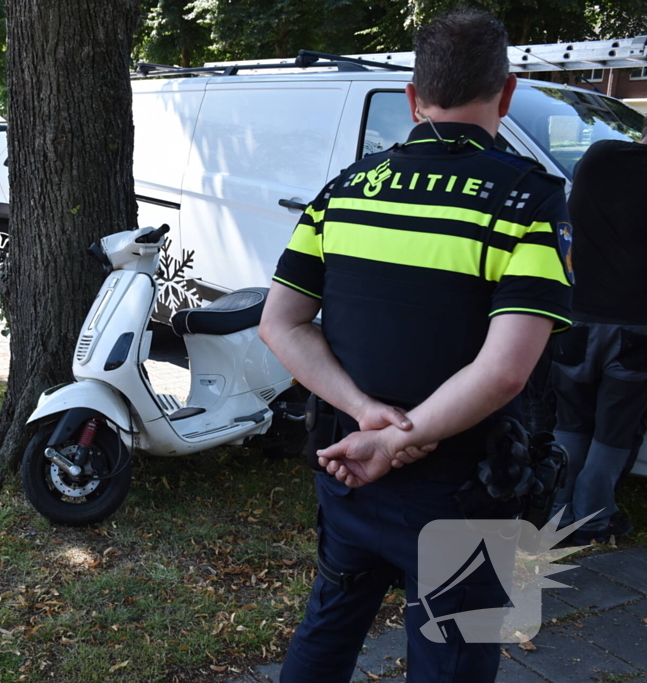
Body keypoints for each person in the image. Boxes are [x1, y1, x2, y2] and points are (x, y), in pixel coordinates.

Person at [258, 10, 572, 683]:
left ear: (412, 97)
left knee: (327, 629)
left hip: (347, 472)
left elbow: (279, 322)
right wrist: (400, 438)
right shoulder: (529, 201)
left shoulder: (343, 191)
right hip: (465, 496)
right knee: (453, 660)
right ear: (506, 93)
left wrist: (366, 414)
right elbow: (507, 371)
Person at [550, 118, 647, 545]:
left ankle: (553, 510)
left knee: (570, 419)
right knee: (616, 426)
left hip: (575, 318)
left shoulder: (600, 155)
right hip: (635, 329)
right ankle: (591, 518)